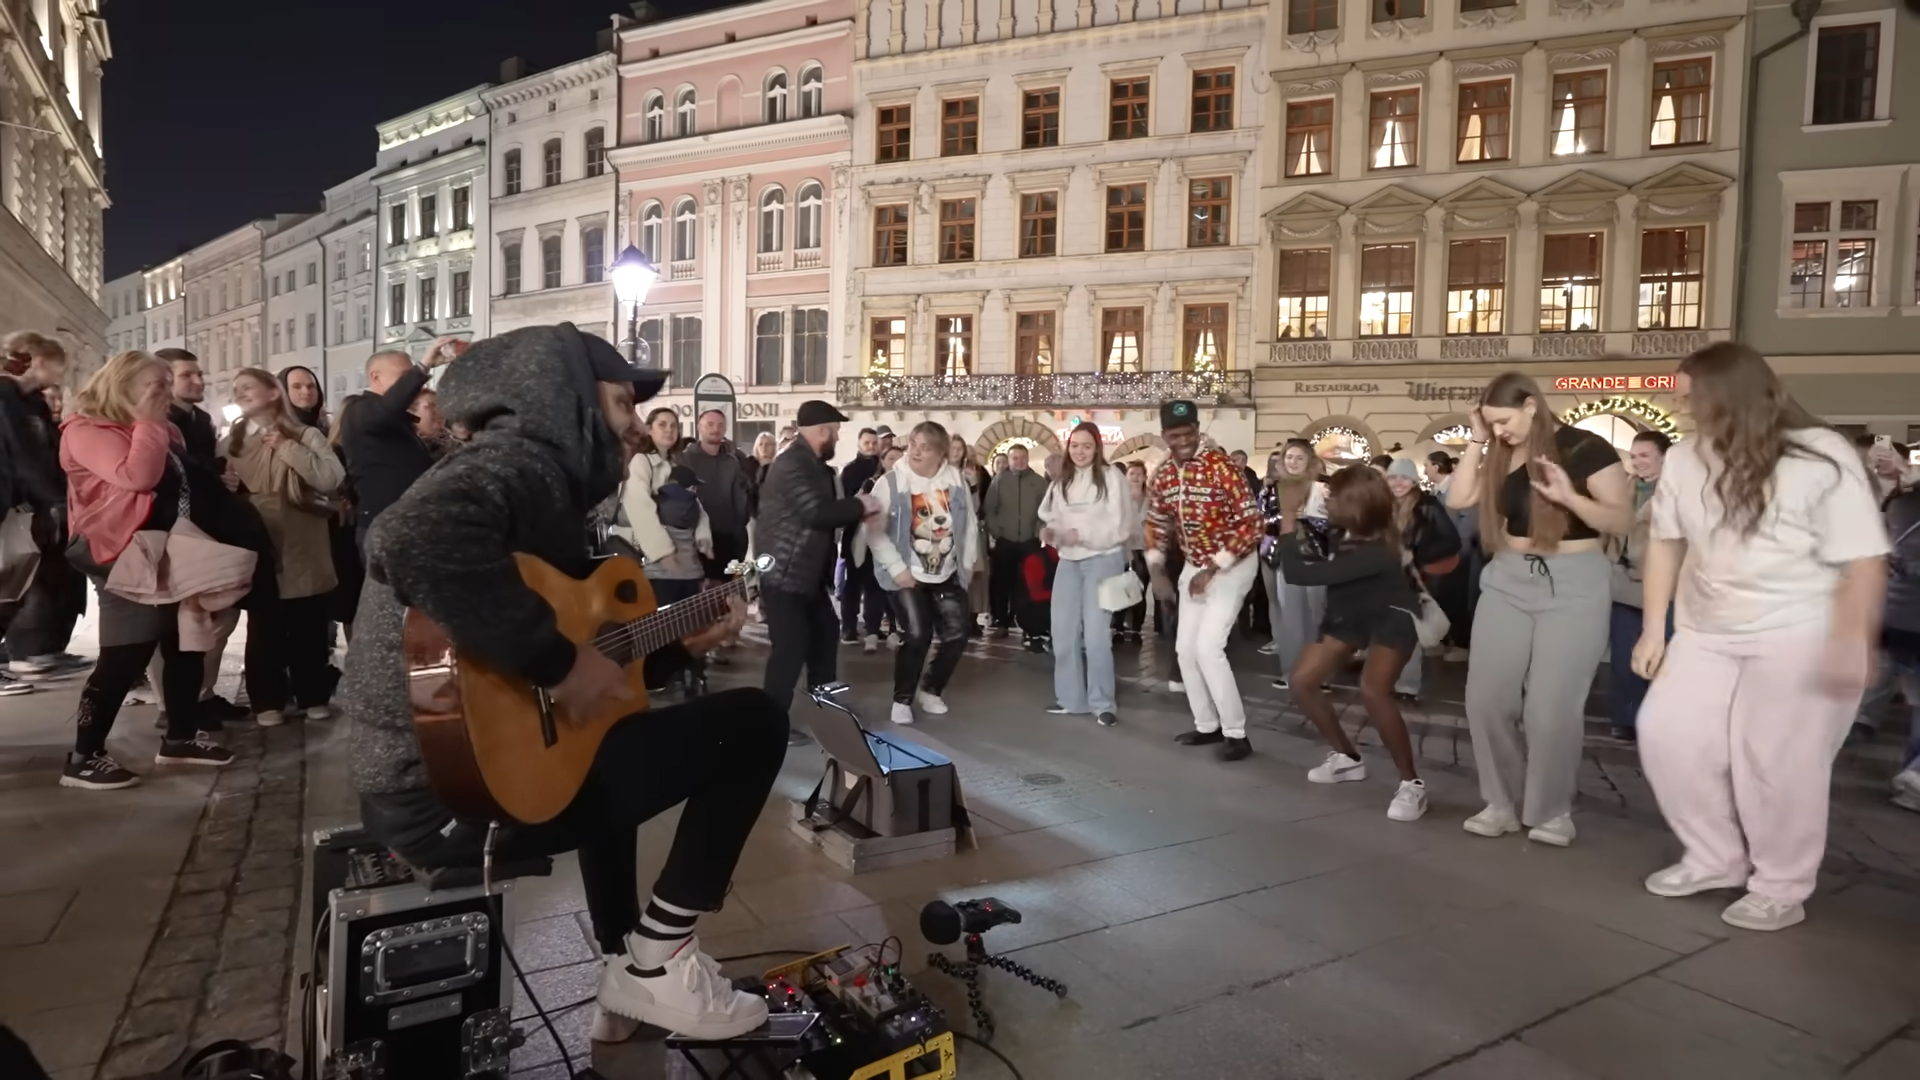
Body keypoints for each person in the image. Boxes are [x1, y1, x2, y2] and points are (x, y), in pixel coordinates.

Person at [344, 324, 784, 1041]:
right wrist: (557, 661)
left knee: (618, 741)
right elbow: (411, 538)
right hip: (451, 794)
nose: (638, 429)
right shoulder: (524, 463)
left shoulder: (529, 480)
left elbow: (579, 668)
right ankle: (656, 962)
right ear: (566, 400)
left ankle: (623, 974)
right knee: (753, 726)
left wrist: (676, 645)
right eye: (621, 405)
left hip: (434, 787)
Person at [1633, 343, 1888, 932]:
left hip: (1798, 628)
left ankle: (1781, 883)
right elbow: (1667, 542)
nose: (1679, 403)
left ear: (1732, 395)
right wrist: (1655, 627)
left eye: (1690, 394)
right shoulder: (1687, 458)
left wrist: (1852, 642)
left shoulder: (1820, 456)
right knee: (1667, 734)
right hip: (1706, 627)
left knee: (1775, 759)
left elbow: (1866, 560)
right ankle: (1715, 856)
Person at [1446, 372, 1632, 846]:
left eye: (1504, 420)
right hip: (1508, 577)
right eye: (1492, 423)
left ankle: (1550, 810)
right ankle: (1501, 803)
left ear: (1532, 405)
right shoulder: (1499, 454)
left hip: (1573, 582)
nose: (1500, 430)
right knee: (1486, 700)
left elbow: (1619, 517)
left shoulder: (1586, 447)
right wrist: (1477, 439)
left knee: (1550, 708)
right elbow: (1459, 498)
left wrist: (1570, 499)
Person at [59, 352, 236, 789]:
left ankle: (179, 737)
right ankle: (83, 756)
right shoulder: (87, 429)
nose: (163, 391)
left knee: (184, 644)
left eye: (164, 382)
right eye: (153, 383)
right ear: (121, 384)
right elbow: (136, 476)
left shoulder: (161, 427)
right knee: (127, 651)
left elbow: (182, 477)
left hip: (170, 549)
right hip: (121, 551)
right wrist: (148, 422)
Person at [1277, 466, 1431, 821]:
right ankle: (1347, 758)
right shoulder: (1348, 531)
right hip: (1349, 618)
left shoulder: (1378, 548)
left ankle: (1412, 784)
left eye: (1333, 497)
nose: (1326, 501)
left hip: (1392, 618)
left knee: (1373, 690)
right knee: (1302, 681)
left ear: (1355, 504)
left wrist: (1288, 515)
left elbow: (1300, 574)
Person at [225, 368, 347, 724]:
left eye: (248, 387)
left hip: (302, 539)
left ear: (273, 392)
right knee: (264, 626)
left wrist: (286, 447)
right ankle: (267, 700)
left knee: (308, 622)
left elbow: (331, 478)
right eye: (236, 389)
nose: (240, 393)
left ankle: (313, 694)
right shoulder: (230, 442)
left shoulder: (305, 434)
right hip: (259, 540)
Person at [1147, 401, 1264, 761]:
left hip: (1233, 564)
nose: (1183, 440)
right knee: (1185, 651)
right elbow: (1155, 522)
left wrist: (1213, 569)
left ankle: (1236, 733)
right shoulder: (1165, 474)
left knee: (1209, 649)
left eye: (1189, 433)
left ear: (1198, 429)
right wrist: (1156, 570)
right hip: (1194, 566)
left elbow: (1252, 524)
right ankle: (1207, 725)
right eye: (1174, 435)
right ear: (1164, 435)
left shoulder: (1222, 467)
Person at [757, 401, 880, 712]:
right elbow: (815, 512)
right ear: (822, 431)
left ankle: (825, 711)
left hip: (805, 574)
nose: (837, 439)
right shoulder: (793, 463)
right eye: (835, 432)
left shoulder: (810, 463)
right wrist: (861, 505)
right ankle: (769, 723)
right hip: (785, 574)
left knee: (825, 637)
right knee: (789, 651)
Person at [864, 421, 979, 725]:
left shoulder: (955, 481)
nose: (915, 450)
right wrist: (898, 569)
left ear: (940, 454)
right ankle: (902, 699)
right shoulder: (890, 482)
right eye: (913, 443)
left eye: (924, 447)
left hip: (947, 571)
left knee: (957, 634)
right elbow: (874, 533)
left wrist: (966, 563)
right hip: (906, 573)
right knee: (916, 634)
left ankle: (930, 689)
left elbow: (968, 524)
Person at [1, 331, 87, 687]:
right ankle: (22, 653)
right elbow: (17, 456)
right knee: (13, 577)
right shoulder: (4, 397)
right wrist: (50, 499)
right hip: (12, 504)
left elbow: (45, 453)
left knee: (37, 574)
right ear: (37, 360)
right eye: (57, 366)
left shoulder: (31, 402)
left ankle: (36, 649)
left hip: (32, 503)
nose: (60, 376)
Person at [1038, 421, 1133, 727]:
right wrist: (1050, 532)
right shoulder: (1061, 481)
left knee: (1095, 636)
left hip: (1102, 559)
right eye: (1075, 445)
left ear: (1097, 448)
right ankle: (1070, 699)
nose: (1080, 452)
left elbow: (1121, 525)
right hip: (1069, 561)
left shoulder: (1111, 477)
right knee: (1062, 632)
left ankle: (1102, 703)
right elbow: (1049, 515)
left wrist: (1081, 534)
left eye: (1087, 446)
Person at [340, 339, 459, 553]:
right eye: (404, 376)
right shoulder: (359, 410)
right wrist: (423, 367)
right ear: (375, 377)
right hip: (383, 526)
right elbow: (386, 410)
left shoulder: (391, 417)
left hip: (406, 522)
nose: (415, 384)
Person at [281, 365, 363, 647]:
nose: (306, 391)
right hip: (298, 528)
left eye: (311, 385)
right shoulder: (280, 429)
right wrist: (329, 501)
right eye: (297, 386)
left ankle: (318, 665)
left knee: (329, 597)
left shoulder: (323, 427)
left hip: (331, 527)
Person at [1606, 431, 1671, 743]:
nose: (1637, 462)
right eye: (1634, 456)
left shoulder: (1677, 491)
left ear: (1664, 456)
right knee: (1623, 658)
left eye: (1644, 455)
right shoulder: (1627, 488)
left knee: (1662, 658)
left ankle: (1660, 718)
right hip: (1623, 583)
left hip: (1664, 586)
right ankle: (1627, 718)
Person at [1383, 457, 1461, 700]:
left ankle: (1408, 685)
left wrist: (1415, 554)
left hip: (1414, 577)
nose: (1398, 483)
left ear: (1414, 481)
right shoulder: (1382, 504)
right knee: (1388, 630)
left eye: (1404, 478)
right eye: (1393, 477)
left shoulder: (1426, 504)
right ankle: (1389, 680)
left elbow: (1451, 541)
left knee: (1409, 629)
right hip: (1384, 575)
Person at [1267, 439, 1329, 688]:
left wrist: (1312, 518)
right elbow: (1266, 525)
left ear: (1309, 461)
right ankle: (1291, 672)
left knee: (1317, 617)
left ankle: (1319, 675)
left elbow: (1334, 524)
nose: (1293, 462)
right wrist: (1285, 517)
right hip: (1287, 558)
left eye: (1299, 458)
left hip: (1318, 559)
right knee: (1291, 618)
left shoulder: (1322, 487)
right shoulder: (1274, 488)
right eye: (1289, 457)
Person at [683, 409, 757, 586]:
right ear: (699, 427)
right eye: (710, 424)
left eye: (720, 425)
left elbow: (741, 499)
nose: (715, 429)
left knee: (729, 598)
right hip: (697, 542)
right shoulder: (685, 460)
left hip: (730, 541)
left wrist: (739, 529)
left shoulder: (732, 462)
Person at [984, 444, 1046, 642]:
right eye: (1014, 458)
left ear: (1027, 459)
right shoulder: (1000, 481)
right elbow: (990, 508)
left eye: (1022, 458)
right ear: (1009, 460)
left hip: (1030, 540)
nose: (1019, 461)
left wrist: (1038, 531)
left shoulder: (1039, 482)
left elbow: (1045, 510)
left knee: (1029, 585)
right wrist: (997, 531)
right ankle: (1001, 622)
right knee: (1000, 583)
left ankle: (1029, 624)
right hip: (1006, 540)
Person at [837, 427, 888, 650]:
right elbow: (843, 501)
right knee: (853, 583)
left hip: (879, 534)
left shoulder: (883, 467)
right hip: (855, 532)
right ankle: (848, 626)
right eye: (866, 442)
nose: (870, 446)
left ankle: (873, 628)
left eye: (873, 442)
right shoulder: (849, 470)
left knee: (875, 585)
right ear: (859, 444)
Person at [1425, 450, 1477, 662]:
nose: (1425, 471)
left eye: (1427, 466)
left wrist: (1458, 549)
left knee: (1458, 597)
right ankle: (1444, 641)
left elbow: (1470, 520)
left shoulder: (1457, 488)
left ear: (1436, 467)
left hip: (1458, 554)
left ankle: (1461, 644)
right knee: (1441, 595)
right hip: (1441, 554)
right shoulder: (1437, 492)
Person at [1111, 460, 1151, 644]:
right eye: (1132, 473)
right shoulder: (1119, 498)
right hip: (1124, 549)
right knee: (1121, 588)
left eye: (1139, 474)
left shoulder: (1151, 498)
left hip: (1146, 549)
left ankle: (1136, 628)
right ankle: (1118, 628)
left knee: (1140, 590)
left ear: (1144, 477)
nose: (1135, 477)